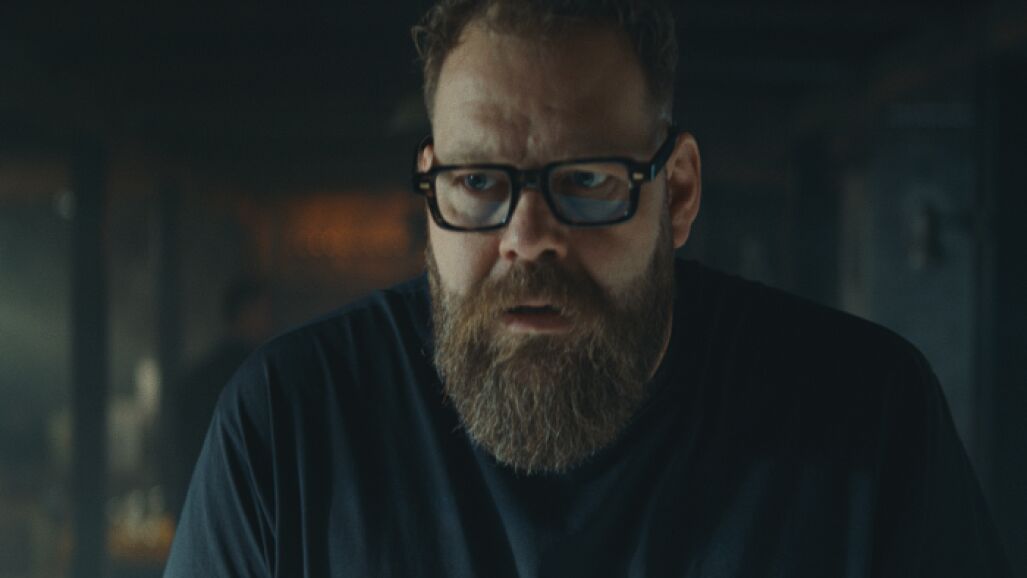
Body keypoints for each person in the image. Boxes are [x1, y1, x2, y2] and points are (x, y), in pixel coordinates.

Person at [164, 1, 1011, 576]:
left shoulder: (865, 414)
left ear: (677, 192)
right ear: (430, 190)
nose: (527, 236)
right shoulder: (290, 425)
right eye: (478, 184)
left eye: (588, 181)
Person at [158, 275, 273, 522]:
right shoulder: (257, 374)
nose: (268, 322)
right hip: (242, 500)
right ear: (246, 313)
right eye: (263, 312)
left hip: (201, 498)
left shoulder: (200, 377)